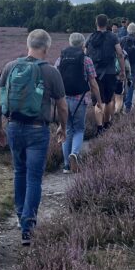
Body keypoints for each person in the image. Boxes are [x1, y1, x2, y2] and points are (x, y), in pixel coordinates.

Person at [0, 29, 67, 245]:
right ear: (46, 48)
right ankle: (28, 226)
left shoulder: (10, 66)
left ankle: (19, 216)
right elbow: (62, 106)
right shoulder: (51, 71)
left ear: (28, 44)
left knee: (19, 172)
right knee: (34, 177)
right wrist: (63, 127)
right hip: (37, 130)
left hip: (14, 127)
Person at [55, 32, 102, 173]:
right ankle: (74, 154)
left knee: (67, 130)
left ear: (70, 43)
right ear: (83, 44)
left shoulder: (60, 59)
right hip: (80, 100)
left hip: (63, 100)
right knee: (79, 129)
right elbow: (93, 83)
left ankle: (66, 165)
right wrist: (99, 101)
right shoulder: (86, 60)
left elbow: (55, 81)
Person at [86, 14, 126, 134]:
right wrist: (122, 71)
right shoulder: (113, 37)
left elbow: (85, 54)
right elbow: (120, 54)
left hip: (94, 74)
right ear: (107, 23)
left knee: (97, 101)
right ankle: (107, 123)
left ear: (96, 23)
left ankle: (99, 127)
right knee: (108, 100)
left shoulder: (90, 37)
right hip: (110, 73)